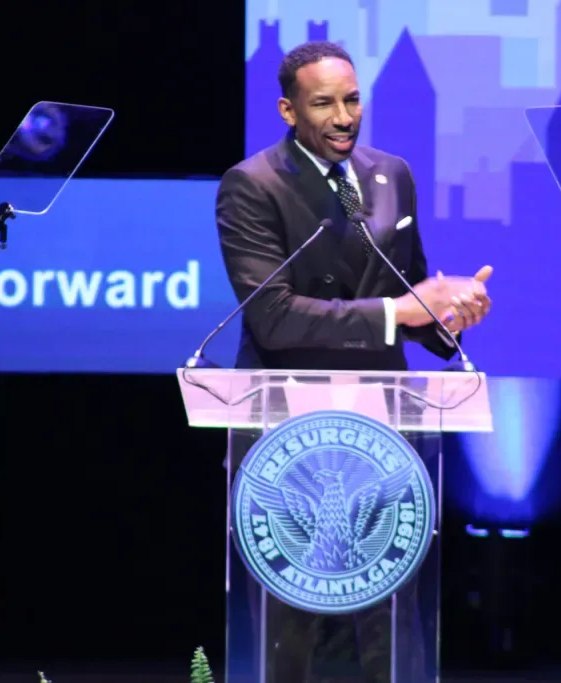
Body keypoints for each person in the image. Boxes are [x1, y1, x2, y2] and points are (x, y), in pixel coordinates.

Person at [216, 40, 493, 682]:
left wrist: (449, 317)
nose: (344, 117)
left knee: (390, 616)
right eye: (324, 104)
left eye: (352, 99)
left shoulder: (390, 173)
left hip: (381, 428)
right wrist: (404, 312)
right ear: (288, 110)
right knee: (291, 619)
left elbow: (409, 282)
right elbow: (274, 316)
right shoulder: (251, 186)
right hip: (286, 432)